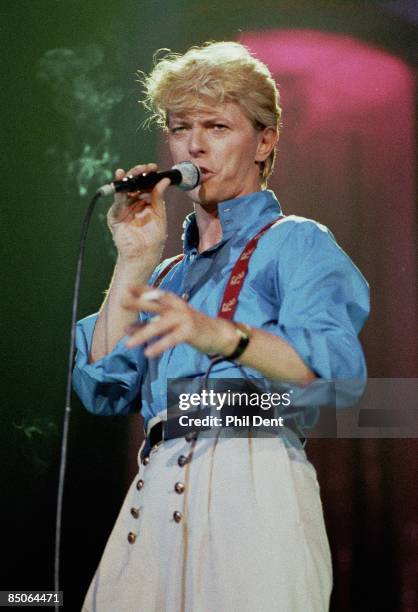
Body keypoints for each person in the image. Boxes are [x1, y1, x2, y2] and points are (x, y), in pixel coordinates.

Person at [73, 41, 369, 612]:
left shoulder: (296, 241)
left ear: (265, 140)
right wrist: (134, 258)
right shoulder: (167, 273)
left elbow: (336, 377)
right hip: (154, 494)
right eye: (181, 127)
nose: (194, 145)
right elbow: (102, 388)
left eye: (216, 126)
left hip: (252, 488)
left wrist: (219, 336)